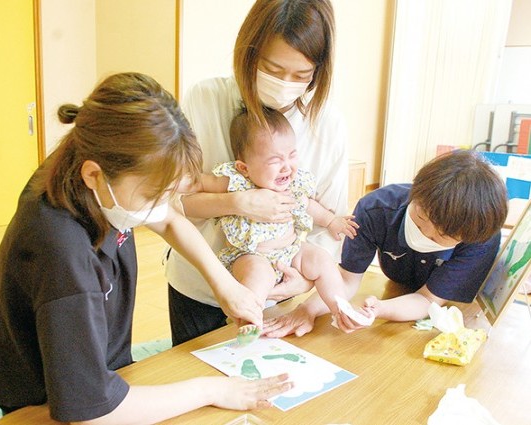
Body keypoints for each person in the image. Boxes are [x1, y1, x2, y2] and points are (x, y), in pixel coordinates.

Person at [0, 72, 292, 424]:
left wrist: (227, 287)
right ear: (94, 175)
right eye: (152, 195)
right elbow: (93, 414)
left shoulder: (82, 161)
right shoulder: (63, 252)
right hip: (47, 409)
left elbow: (169, 219)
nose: (161, 206)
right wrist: (212, 390)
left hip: (98, 376)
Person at [166, 0, 350, 346]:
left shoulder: (328, 125)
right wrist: (239, 202)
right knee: (194, 372)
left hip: (282, 292)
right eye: (272, 69)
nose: (285, 84)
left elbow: (328, 225)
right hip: (198, 286)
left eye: (301, 75)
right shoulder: (206, 98)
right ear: (249, 53)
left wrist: (303, 283)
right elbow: (173, 203)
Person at [264, 150, 509, 337]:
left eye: (439, 237)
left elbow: (428, 300)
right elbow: (346, 280)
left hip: (449, 310)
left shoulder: (480, 235)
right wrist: (307, 309)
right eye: (420, 220)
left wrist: (380, 309)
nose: (425, 235)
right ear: (415, 194)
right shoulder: (375, 210)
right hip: (398, 288)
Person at [197, 108, 358, 329]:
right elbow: (203, 183)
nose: (287, 167)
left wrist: (331, 221)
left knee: (322, 260)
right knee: (258, 276)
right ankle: (248, 319)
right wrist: (184, 181)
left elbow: (308, 205)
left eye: (292, 155)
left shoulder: (294, 185)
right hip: (251, 255)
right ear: (244, 168)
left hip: (291, 251)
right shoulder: (239, 182)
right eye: (275, 160)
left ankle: (340, 308)